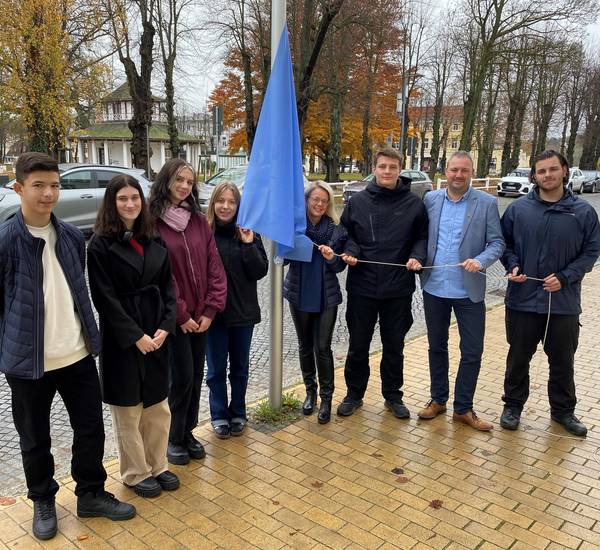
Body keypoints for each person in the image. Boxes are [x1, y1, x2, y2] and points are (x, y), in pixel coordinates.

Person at [0, 153, 135, 541]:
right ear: (19, 188)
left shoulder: (73, 237)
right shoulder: (7, 241)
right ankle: (42, 499)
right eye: (38, 185)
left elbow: (78, 292)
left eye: (54, 185)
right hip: (29, 363)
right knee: (34, 436)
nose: (48, 193)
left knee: (90, 428)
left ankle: (91, 492)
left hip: (76, 353)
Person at [88, 175, 179, 498]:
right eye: (123, 198)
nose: (130, 204)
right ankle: (135, 472)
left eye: (135, 198)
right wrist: (135, 336)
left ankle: (158, 465)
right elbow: (104, 298)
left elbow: (170, 286)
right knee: (129, 411)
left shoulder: (154, 237)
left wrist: (167, 326)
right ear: (112, 203)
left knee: (157, 407)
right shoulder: (100, 244)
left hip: (157, 330)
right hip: (124, 338)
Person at [500, 149, 600, 437]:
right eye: (541, 171)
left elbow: (591, 251)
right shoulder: (519, 210)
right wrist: (513, 264)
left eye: (552, 169)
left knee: (562, 361)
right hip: (522, 301)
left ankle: (563, 412)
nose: (547, 175)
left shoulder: (583, 212)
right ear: (534, 175)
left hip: (563, 304)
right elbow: (504, 244)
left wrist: (566, 278)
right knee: (518, 358)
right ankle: (513, 406)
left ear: (564, 170)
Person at [337, 147, 428, 418]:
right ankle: (354, 394)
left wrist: (416, 256)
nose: (386, 171)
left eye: (392, 167)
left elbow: (421, 237)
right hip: (362, 286)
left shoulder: (414, 204)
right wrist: (351, 249)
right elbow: (345, 232)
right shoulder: (358, 202)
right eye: (382, 166)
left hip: (398, 287)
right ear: (374, 169)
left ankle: (393, 395)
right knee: (358, 344)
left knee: (394, 346)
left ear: (400, 169)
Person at [417, 151, 504, 431]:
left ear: (471, 172)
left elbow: (497, 243)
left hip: (469, 291)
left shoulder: (487, 203)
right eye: (454, 170)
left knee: (472, 351)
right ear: (445, 171)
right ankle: (438, 399)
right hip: (434, 287)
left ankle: (463, 408)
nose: (458, 175)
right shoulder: (431, 199)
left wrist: (480, 261)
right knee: (436, 347)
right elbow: (419, 235)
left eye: (464, 171)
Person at [149, 158, 227, 465]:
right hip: (176, 319)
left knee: (195, 376)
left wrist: (210, 310)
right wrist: (181, 315)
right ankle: (173, 435)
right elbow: (160, 276)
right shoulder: (153, 223)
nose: (184, 186)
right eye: (179, 179)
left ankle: (188, 432)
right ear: (166, 180)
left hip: (202, 318)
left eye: (189, 182)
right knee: (178, 378)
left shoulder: (197, 221)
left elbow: (214, 265)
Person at [205, 182, 268, 438]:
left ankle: (238, 411)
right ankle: (219, 415)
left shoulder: (248, 231)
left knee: (240, 368)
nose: (225, 206)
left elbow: (259, 271)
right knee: (216, 370)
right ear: (213, 204)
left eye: (231, 202)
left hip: (243, 313)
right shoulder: (205, 232)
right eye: (221, 201)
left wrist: (249, 244)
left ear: (238, 206)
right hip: (214, 315)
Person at [284, 181, 346, 424]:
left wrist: (332, 258)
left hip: (325, 296)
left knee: (323, 347)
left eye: (324, 200)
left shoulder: (336, 230)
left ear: (328, 204)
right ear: (306, 201)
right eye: (315, 199)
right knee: (304, 345)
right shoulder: (296, 228)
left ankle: (327, 398)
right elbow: (283, 259)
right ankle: (310, 391)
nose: (319, 204)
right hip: (300, 293)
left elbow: (340, 266)